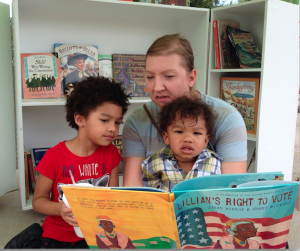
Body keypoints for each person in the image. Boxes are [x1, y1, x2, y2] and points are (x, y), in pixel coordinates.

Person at [122, 34, 247, 187]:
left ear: (191, 78)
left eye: (168, 76)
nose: (157, 87)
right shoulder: (136, 122)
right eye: (149, 77)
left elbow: (231, 192)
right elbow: (133, 189)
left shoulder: (227, 118)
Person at [32, 76, 130, 249]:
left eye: (117, 122)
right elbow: (38, 201)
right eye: (105, 120)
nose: (112, 129)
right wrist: (60, 209)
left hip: (98, 231)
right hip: (59, 234)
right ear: (80, 119)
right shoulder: (54, 156)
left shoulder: (112, 153)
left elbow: (111, 196)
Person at [142, 96, 221, 192]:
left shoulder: (215, 163)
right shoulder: (156, 162)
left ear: (205, 140)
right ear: (166, 137)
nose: (188, 139)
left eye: (196, 133)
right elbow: (151, 189)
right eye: (179, 132)